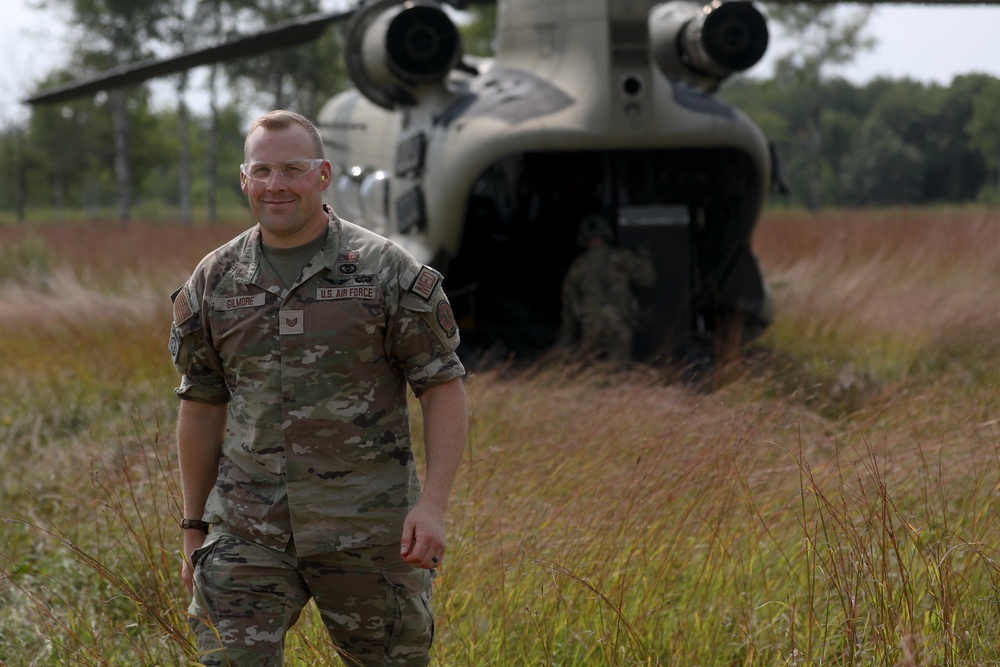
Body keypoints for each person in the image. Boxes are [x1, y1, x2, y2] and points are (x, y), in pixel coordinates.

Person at [168, 109, 467, 666]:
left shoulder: (385, 270)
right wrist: (193, 528)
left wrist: (434, 506)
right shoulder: (216, 278)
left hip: (369, 530)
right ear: (244, 179)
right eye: (261, 171)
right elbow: (202, 403)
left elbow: (442, 386)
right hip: (247, 528)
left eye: (292, 169)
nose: (275, 185)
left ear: (323, 175)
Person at [560, 214, 656, 362]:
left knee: (593, 373)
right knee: (618, 371)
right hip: (618, 322)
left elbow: (569, 305)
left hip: (591, 326)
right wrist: (644, 255)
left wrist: (568, 336)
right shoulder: (622, 257)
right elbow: (647, 280)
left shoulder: (578, 266)